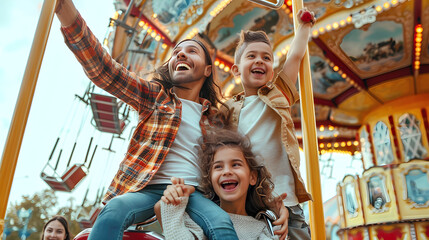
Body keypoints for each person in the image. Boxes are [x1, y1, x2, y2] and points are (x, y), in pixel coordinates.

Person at [54, 0, 289, 239]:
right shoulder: (154, 97)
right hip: (149, 188)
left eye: (191, 51)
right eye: (176, 52)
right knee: (113, 211)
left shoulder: (217, 118)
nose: (181, 54)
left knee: (221, 223)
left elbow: (250, 156)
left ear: (208, 69)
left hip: (194, 192)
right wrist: (67, 15)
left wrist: (274, 204)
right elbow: (105, 71)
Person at [223, 8, 317, 239]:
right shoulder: (228, 109)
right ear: (236, 69)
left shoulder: (279, 94)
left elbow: (294, 57)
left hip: (287, 198)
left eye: (266, 58)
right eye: (252, 56)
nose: (259, 61)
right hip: (251, 200)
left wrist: (304, 28)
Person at [154, 129, 280, 239]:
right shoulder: (199, 221)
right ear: (210, 179)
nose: (227, 172)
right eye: (218, 167)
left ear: (252, 177)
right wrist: (173, 203)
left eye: (235, 164)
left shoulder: (264, 228)